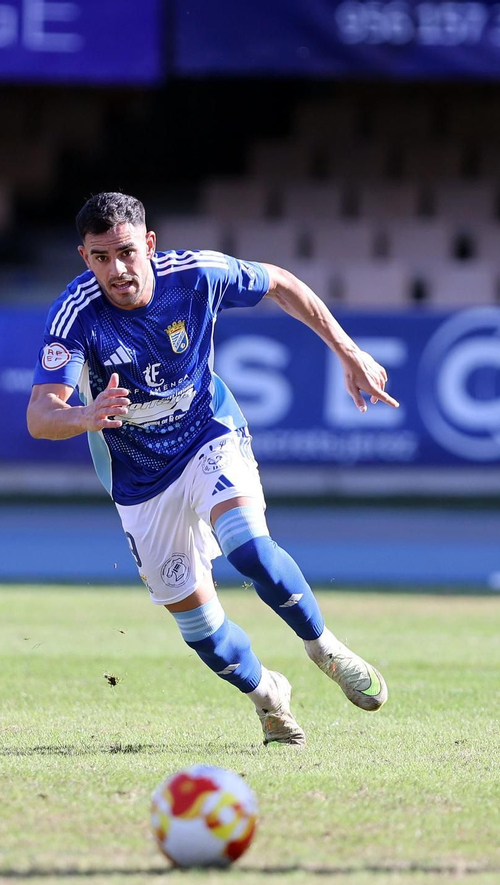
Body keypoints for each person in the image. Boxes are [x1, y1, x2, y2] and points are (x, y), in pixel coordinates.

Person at [26, 192, 395, 747]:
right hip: (140, 480)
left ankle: (325, 647)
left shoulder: (197, 274)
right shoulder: (77, 315)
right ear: (85, 257)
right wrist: (85, 415)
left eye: (127, 252)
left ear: (149, 244)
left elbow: (279, 282)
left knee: (249, 549)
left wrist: (349, 353)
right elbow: (39, 416)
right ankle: (269, 697)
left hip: (208, 435)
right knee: (202, 632)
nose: (118, 270)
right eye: (101, 258)